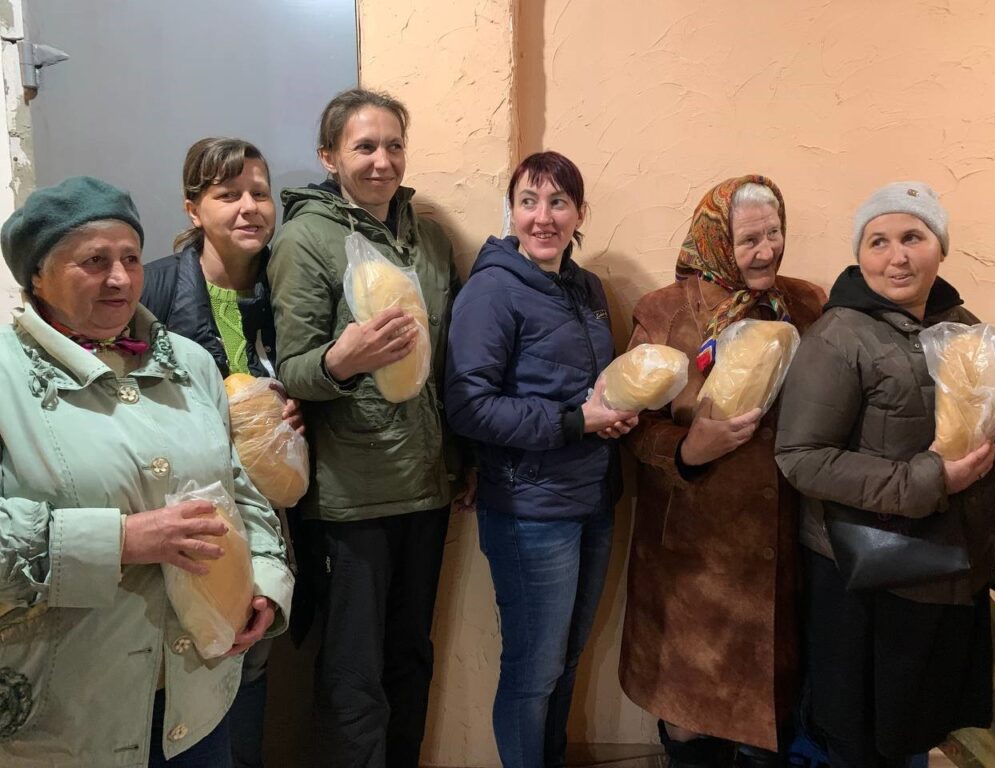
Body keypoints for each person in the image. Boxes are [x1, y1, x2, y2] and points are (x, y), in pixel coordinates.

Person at [0, 176, 293, 767]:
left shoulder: (188, 364)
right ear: (37, 275)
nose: (120, 278)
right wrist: (120, 541)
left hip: (198, 693)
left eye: (131, 258)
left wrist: (264, 582)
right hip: (67, 713)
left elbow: (238, 489)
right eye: (93, 261)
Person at [267, 88, 469, 768]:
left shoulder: (429, 239)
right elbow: (291, 371)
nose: (382, 161)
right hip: (353, 495)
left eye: (393, 145)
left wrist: (460, 461)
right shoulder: (305, 240)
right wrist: (340, 360)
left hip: (428, 485)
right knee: (355, 672)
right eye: (364, 146)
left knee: (411, 657)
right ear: (329, 157)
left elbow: (449, 366)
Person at [775, 182, 995, 768]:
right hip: (870, 577)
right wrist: (931, 482)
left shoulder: (964, 326)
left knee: (915, 729)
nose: (896, 256)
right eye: (878, 241)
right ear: (860, 254)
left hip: (946, 569)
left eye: (912, 237)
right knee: (867, 740)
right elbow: (801, 457)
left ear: (940, 247)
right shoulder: (838, 335)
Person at [616, 175, 823, 768]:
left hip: (779, 552)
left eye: (774, 233)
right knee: (690, 718)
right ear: (713, 242)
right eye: (748, 240)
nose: (767, 251)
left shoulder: (808, 304)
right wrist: (688, 451)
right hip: (692, 556)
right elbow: (632, 424)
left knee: (767, 718)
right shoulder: (665, 312)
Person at [444, 151, 637, 767]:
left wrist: (617, 412)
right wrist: (576, 421)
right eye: (529, 201)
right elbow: (469, 406)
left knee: (567, 658)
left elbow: (590, 386)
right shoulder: (492, 290)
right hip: (531, 510)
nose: (543, 216)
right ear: (512, 211)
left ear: (580, 213)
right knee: (534, 670)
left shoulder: (587, 288)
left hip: (593, 497)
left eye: (558, 202)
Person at [140, 137, 303, 768]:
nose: (248, 207)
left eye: (259, 193)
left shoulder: (284, 286)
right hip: (193, 510)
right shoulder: (151, 290)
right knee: (188, 659)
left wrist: (301, 407)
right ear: (192, 209)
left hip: (269, 513)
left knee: (251, 650)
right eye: (226, 194)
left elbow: (303, 375)